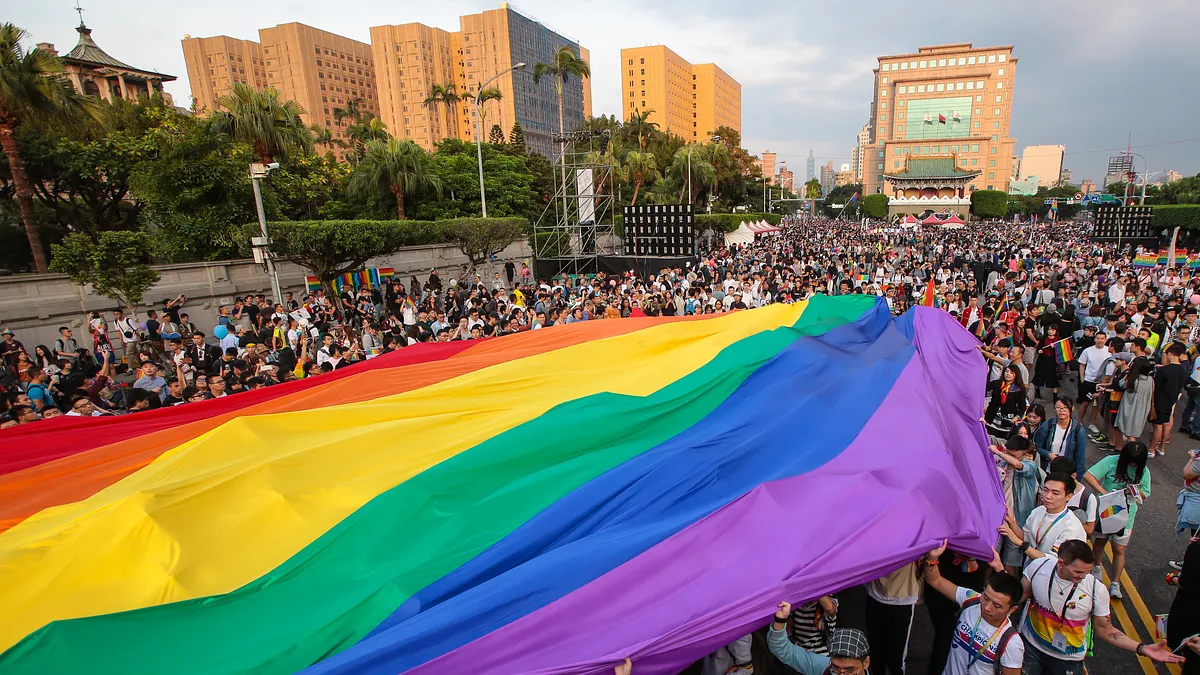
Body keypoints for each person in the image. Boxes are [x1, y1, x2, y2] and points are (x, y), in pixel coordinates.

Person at [1020, 539, 1182, 674]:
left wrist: (1141, 648)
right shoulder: (1039, 567)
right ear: (1061, 563)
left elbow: (1106, 630)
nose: (1083, 577)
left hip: (1068, 660)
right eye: (1078, 572)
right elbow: (1019, 598)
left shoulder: (1096, 589)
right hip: (1031, 647)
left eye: (1087, 572)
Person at [923, 540, 1024, 675]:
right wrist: (932, 558)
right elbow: (935, 580)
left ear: (1012, 610)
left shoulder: (1011, 643)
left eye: (997, 606)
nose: (987, 607)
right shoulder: (971, 599)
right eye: (986, 597)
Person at [1083, 441, 1152, 599]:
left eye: (1136, 463)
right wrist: (1103, 491)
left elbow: (1146, 492)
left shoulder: (1144, 471)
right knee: (1100, 542)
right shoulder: (1110, 461)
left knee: (1119, 549)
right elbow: (1088, 475)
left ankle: (1115, 583)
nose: (1133, 465)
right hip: (1106, 511)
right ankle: (1096, 567)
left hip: (1126, 515)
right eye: (1130, 461)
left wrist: (1135, 491)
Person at [999, 472, 1088, 563]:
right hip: (1031, 569)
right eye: (1045, 490)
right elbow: (1026, 537)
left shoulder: (1072, 528)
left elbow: (1053, 561)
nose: (1048, 496)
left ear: (1069, 496)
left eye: (1055, 493)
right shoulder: (1038, 511)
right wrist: (1012, 522)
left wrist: (1018, 542)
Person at [769, 601, 872, 675]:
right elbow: (781, 649)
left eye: (850, 670)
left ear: (866, 663)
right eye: (836, 668)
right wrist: (780, 620)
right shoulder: (823, 667)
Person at [1166, 535, 1200, 675]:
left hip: (1192, 616)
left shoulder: (1196, 549)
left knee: (1192, 662)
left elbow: (1187, 583)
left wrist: (1172, 577)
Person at [1033, 398, 1088, 479]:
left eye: (1065, 407)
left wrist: (1077, 480)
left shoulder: (1079, 431)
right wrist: (1049, 455)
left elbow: (1080, 458)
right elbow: (1037, 447)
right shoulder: (1047, 426)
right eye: (1058, 407)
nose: (1061, 410)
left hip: (1066, 473)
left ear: (1072, 408)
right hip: (1048, 470)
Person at [1151, 342, 1189, 458]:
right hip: (1172, 399)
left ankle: (1151, 449)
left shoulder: (1163, 371)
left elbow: (1155, 387)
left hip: (1160, 400)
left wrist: (1152, 403)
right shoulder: (1183, 370)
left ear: (1170, 354)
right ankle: (1161, 448)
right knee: (1166, 423)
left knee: (1158, 425)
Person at [984, 364, 1028, 439]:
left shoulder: (1018, 390)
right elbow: (983, 388)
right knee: (988, 439)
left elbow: (1022, 407)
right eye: (1007, 372)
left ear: (1016, 375)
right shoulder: (997, 384)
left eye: (1011, 373)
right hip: (991, 418)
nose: (1008, 374)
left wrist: (1017, 417)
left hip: (1007, 421)